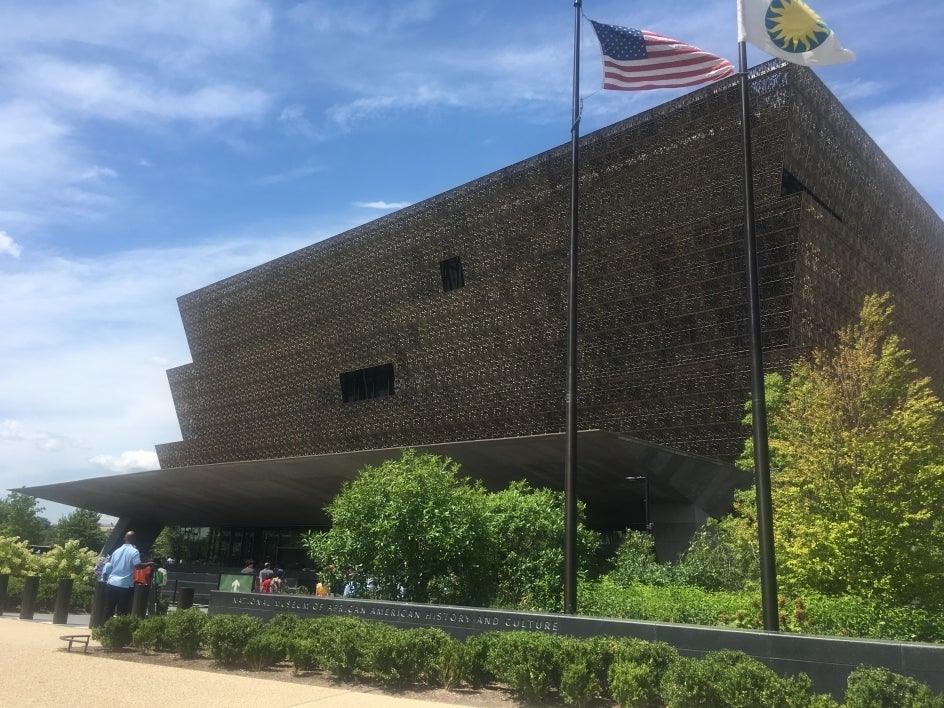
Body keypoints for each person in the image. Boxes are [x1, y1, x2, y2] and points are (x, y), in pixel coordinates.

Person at [104, 531, 154, 619]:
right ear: (134, 540)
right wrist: (149, 563)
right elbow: (138, 566)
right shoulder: (134, 551)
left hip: (111, 582)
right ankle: (119, 631)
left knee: (109, 608)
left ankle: (105, 629)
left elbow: (111, 565)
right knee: (122, 610)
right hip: (124, 584)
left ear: (124, 538)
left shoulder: (116, 551)